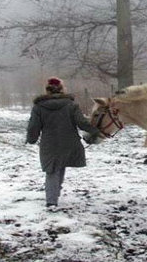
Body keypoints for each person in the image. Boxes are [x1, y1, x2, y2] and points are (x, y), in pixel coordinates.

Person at [26, 77, 101, 208]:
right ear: (62, 89)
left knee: (52, 169)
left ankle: (52, 200)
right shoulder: (71, 105)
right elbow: (82, 123)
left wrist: (31, 139)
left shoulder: (38, 107)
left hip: (49, 144)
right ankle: (54, 195)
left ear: (47, 90)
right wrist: (95, 131)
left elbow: (33, 127)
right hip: (69, 142)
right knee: (60, 167)